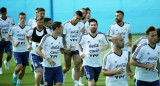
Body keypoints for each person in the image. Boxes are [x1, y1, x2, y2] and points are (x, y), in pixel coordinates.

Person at [36, 21, 71, 86]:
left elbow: (61, 51)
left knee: (59, 84)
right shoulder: (46, 37)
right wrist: (47, 59)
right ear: (57, 28)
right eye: (61, 27)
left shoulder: (60, 38)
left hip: (58, 66)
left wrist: (69, 49)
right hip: (47, 67)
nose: (63, 29)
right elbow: (37, 50)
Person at [78, 18, 109, 86]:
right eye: (91, 25)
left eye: (95, 25)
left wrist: (103, 48)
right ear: (89, 26)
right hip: (87, 62)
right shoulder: (84, 36)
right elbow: (79, 44)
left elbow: (107, 45)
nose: (93, 26)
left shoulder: (102, 35)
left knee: (94, 82)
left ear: (97, 26)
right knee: (91, 81)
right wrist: (80, 52)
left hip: (98, 63)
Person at [25, 16, 51, 86]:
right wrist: (28, 45)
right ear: (36, 22)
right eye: (39, 22)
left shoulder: (47, 30)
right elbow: (26, 36)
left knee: (43, 74)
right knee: (39, 72)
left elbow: (50, 39)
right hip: (35, 54)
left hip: (44, 55)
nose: (40, 24)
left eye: (42, 22)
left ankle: (42, 84)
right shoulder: (32, 30)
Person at [62, 10, 85, 86]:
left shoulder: (81, 24)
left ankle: (76, 84)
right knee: (67, 67)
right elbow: (62, 37)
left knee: (78, 65)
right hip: (68, 48)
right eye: (77, 18)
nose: (77, 20)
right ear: (74, 15)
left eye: (79, 19)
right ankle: (62, 73)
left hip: (77, 48)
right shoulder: (66, 24)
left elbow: (83, 35)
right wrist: (65, 47)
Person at [7, 12, 30, 86]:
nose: (22, 20)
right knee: (19, 66)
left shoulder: (29, 28)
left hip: (25, 50)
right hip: (17, 50)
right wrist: (13, 42)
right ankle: (14, 74)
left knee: (23, 68)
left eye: (24, 18)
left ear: (25, 19)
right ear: (18, 19)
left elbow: (31, 37)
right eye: (21, 18)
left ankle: (18, 82)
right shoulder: (14, 28)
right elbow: (8, 36)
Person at [0, 7, 15, 74]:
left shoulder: (10, 18)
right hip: (0, 40)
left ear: (6, 13)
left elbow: (14, 26)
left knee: (10, 54)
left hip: (8, 39)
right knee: (0, 56)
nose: (4, 15)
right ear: (0, 13)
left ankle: (6, 61)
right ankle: (0, 68)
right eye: (2, 14)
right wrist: (0, 38)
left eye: (5, 14)